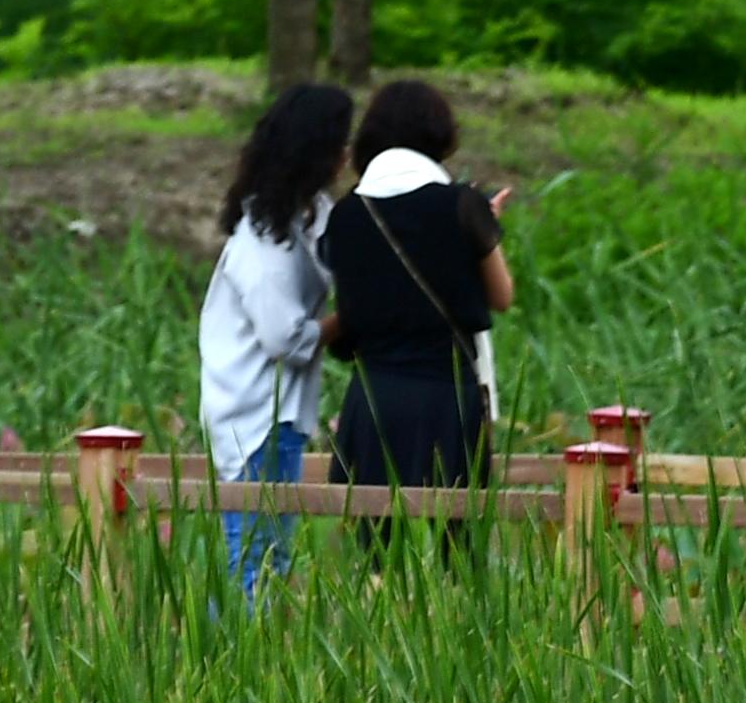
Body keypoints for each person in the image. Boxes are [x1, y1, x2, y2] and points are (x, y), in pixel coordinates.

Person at [319, 79, 515, 558]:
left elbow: (356, 305)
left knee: (376, 552)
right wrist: (480, 228)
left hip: (374, 395)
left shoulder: (346, 215)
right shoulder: (462, 205)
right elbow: (502, 296)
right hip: (447, 394)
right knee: (458, 552)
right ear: (439, 135)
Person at [199, 82, 354, 596]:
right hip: (256, 421)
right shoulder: (261, 247)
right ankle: (238, 667)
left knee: (269, 556)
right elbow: (285, 339)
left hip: (280, 416)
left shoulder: (303, 218)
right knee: (257, 563)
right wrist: (351, 318)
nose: (347, 155)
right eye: (340, 143)